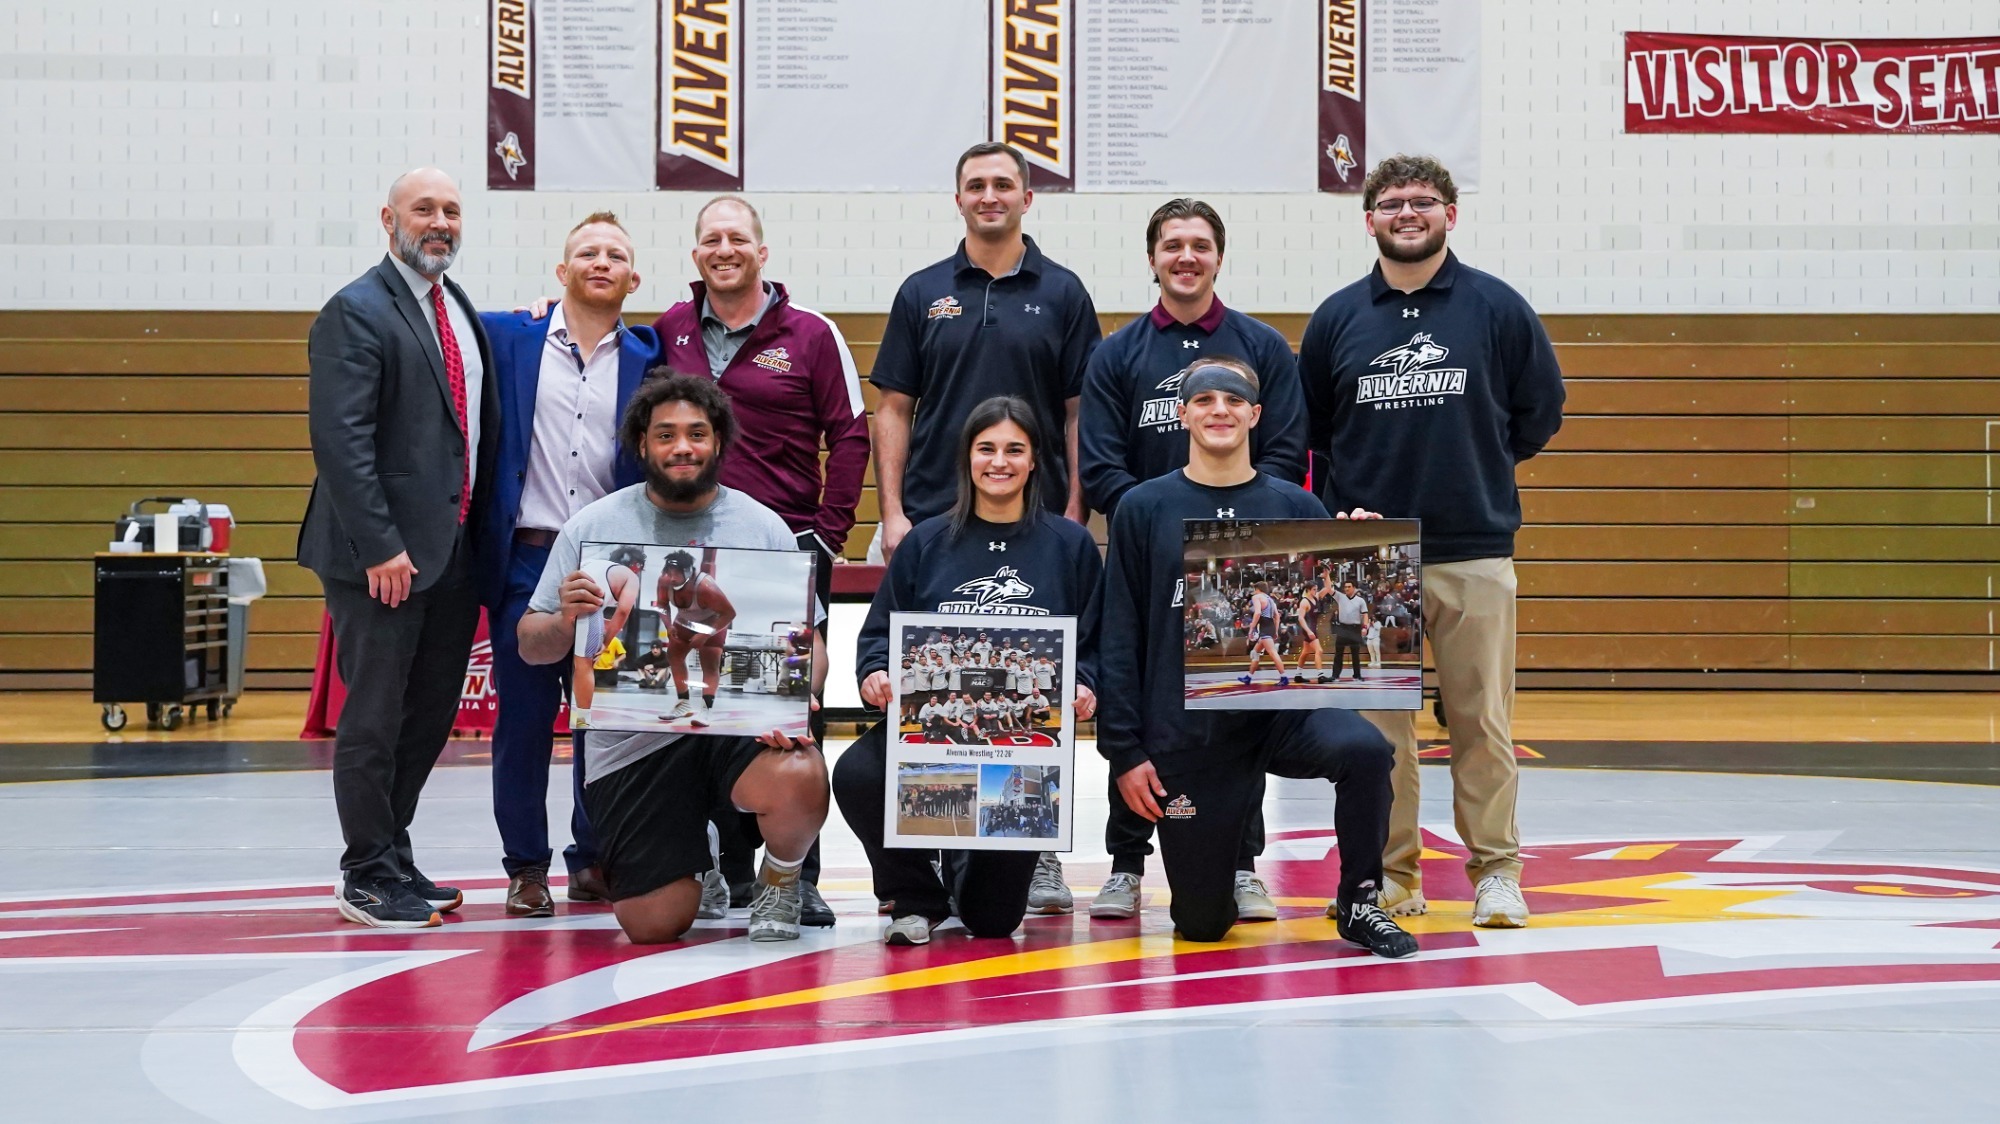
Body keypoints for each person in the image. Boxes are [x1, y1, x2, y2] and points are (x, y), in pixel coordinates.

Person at [1298, 155, 1565, 928]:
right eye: (1391, 203)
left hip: (1474, 549)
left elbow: (1538, 412)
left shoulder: (1496, 308)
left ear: (1451, 213)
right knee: (1382, 740)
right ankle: (1392, 880)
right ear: (1369, 219)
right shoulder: (1339, 317)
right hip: (1370, 562)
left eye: (1423, 201)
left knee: (1482, 722)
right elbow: (1311, 434)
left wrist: (1478, 465)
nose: (1406, 213)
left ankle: (1497, 874)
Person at [1095, 360, 1417, 956]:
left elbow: (1330, 600)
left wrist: (1363, 548)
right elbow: (1118, 636)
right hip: (1190, 730)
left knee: (1368, 750)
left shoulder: (1295, 505)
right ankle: (1220, 873)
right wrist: (1125, 752)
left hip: (1284, 716)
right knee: (1201, 923)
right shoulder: (1143, 507)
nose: (1220, 410)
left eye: (1234, 400)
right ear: (1182, 412)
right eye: (1205, 400)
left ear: (1255, 415)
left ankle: (1361, 901)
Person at [514, 372, 827, 944]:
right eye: (665, 435)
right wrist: (563, 621)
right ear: (642, 444)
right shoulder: (593, 527)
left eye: (696, 433)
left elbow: (814, 644)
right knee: (653, 924)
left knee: (800, 771)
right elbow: (530, 645)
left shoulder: (762, 527)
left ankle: (781, 879)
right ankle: (698, 861)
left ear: (718, 442)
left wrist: (800, 694)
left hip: (735, 725)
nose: (682, 447)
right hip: (634, 741)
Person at [300, 167, 497, 929]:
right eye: (425, 209)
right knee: (375, 718)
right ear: (389, 218)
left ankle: (392, 850)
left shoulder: (458, 310)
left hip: (449, 558)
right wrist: (381, 545)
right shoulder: (355, 311)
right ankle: (364, 871)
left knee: (427, 717)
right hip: (379, 559)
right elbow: (341, 443)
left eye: (451, 210)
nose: (440, 221)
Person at [833, 397, 1102, 947]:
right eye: (986, 449)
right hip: (929, 742)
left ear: (1034, 462)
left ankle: (960, 858)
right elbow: (880, 633)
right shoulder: (926, 542)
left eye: (1014, 450)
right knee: (858, 773)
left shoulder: (1070, 546)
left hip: (1021, 753)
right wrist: (875, 674)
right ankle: (914, 895)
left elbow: (1100, 639)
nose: (998, 461)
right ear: (967, 458)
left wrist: (1086, 683)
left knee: (993, 920)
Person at [478, 212, 657, 917]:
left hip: (614, 563)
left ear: (633, 278)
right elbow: (446, 311)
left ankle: (593, 858)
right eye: (588, 251)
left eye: (617, 253)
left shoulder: (649, 357)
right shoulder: (508, 338)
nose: (602, 261)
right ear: (561, 271)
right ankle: (525, 867)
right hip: (528, 556)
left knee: (603, 718)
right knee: (521, 722)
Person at [869, 142, 1100, 563]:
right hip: (931, 515)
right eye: (976, 186)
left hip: (1039, 516)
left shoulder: (1065, 293)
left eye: (1002, 185)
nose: (989, 196)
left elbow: (1080, 412)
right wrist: (892, 514)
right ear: (959, 201)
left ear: (1026, 199)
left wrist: (1074, 510)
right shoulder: (921, 291)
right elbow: (893, 410)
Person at [1079, 197, 1306, 518]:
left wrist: (1234, 518)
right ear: (1151, 259)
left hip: (1248, 536)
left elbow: (1286, 455)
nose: (1187, 258)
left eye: (1200, 246)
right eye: (1173, 246)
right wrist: (1153, 518)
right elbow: (1100, 468)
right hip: (1149, 535)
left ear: (1219, 259)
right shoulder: (1113, 355)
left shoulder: (1266, 346)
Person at [655, 549, 735, 727]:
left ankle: (706, 710)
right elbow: (661, 605)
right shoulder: (664, 581)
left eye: (677, 573)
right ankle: (683, 703)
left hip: (713, 621)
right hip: (685, 620)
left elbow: (729, 613)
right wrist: (668, 626)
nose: (672, 578)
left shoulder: (706, 587)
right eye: (669, 572)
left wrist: (706, 633)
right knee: (674, 656)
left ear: (689, 572)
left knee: (709, 662)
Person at [1240, 582, 1289, 687]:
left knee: (1272, 652)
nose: (1254, 592)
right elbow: (1277, 616)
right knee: (1255, 652)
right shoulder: (1271, 599)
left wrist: (1252, 627)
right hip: (1269, 626)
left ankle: (1284, 677)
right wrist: (1275, 631)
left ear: (1257, 589)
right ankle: (1248, 677)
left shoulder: (1256, 597)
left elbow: (1257, 613)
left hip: (1265, 627)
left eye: (1254, 589)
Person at [1329, 579, 1370, 682]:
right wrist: (1327, 575)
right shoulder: (1340, 597)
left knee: (1355, 654)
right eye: (1345, 587)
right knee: (1338, 653)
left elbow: (1365, 614)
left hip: (1355, 628)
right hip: (1342, 627)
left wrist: (1365, 627)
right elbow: (1329, 589)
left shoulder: (1360, 601)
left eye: (1349, 587)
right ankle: (1335, 675)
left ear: (1354, 588)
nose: (1346, 589)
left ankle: (1357, 675)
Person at [1294, 572, 1331, 685]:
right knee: (1318, 650)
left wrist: (1327, 575)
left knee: (1305, 652)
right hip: (1308, 629)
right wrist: (1309, 631)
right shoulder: (1304, 601)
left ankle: (1298, 675)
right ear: (1309, 590)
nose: (1316, 591)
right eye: (1314, 589)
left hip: (1312, 628)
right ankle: (1320, 675)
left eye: (1316, 589)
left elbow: (1328, 588)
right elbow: (1300, 618)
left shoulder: (1316, 597)